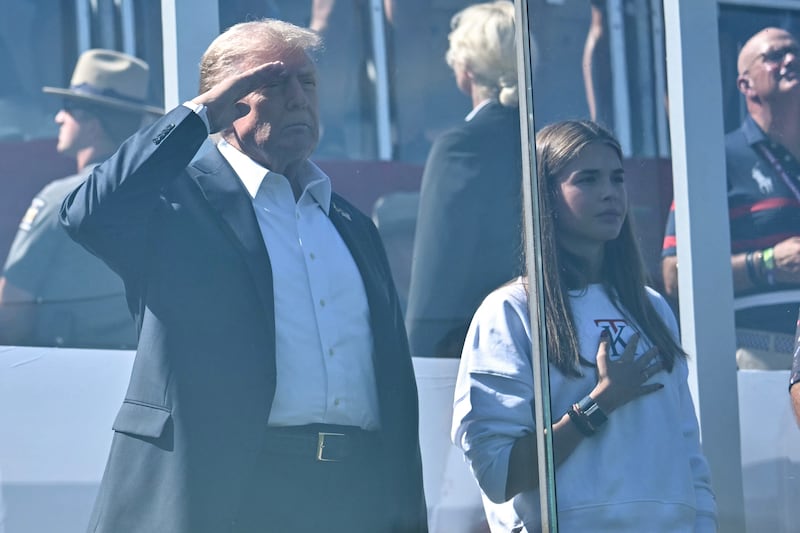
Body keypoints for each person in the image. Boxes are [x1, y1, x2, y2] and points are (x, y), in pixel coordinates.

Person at [59, 19, 426, 533]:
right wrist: (198, 115)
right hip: (228, 490)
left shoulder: (351, 225)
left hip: (354, 491)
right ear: (228, 99)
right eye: (274, 83)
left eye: (308, 82)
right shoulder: (176, 203)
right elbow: (88, 213)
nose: (298, 98)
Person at [452, 120, 717, 532]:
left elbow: (689, 457)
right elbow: (498, 474)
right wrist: (600, 403)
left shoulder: (652, 308)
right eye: (588, 180)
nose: (610, 193)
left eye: (617, 178)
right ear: (547, 195)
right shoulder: (509, 311)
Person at [0, 49, 160, 348]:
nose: (59, 117)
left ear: (92, 124)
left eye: (69, 107)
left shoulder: (61, 197)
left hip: (62, 369)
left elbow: (10, 312)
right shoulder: (163, 194)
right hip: (141, 370)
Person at [662, 27, 800, 353]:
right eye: (775, 56)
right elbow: (673, 275)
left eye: (796, 51)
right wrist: (765, 264)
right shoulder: (718, 159)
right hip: (766, 357)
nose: (792, 59)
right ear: (745, 84)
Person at [405, 0, 525, 358]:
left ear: (467, 68)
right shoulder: (548, 135)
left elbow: (439, 266)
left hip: (478, 346)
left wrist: (419, 356)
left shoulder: (462, 145)